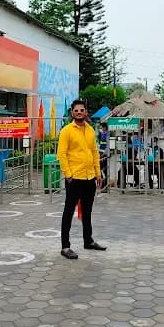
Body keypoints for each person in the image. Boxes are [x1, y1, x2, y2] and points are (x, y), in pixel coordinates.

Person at [58, 100, 105, 259]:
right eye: (76, 110)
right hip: (74, 178)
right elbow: (61, 154)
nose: (79, 112)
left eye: (82, 110)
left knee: (87, 211)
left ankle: (88, 240)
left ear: (86, 112)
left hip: (89, 177)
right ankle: (65, 247)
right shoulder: (66, 131)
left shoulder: (91, 130)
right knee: (69, 211)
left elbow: (94, 152)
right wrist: (68, 174)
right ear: (72, 113)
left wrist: (98, 173)